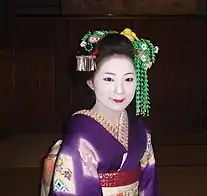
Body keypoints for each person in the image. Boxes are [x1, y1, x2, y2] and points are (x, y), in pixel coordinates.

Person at [41, 28, 160, 196]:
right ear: (90, 81)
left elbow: (149, 186)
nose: (120, 90)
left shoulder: (140, 130)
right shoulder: (81, 139)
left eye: (128, 79)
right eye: (109, 79)